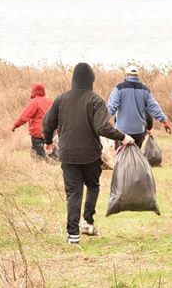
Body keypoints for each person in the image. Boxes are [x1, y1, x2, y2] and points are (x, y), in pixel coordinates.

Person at [42, 62, 134, 245]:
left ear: (73, 79)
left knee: (73, 193)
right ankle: (88, 221)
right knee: (93, 185)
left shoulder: (61, 99)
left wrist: (48, 142)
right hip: (90, 154)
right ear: (91, 80)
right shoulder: (95, 100)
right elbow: (102, 127)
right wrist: (122, 136)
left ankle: (73, 235)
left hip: (67, 154)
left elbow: (47, 123)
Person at [107, 65, 172, 148]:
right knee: (136, 156)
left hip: (122, 132)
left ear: (126, 75)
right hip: (138, 132)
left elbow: (111, 108)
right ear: (137, 76)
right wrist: (164, 121)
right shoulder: (145, 90)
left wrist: (101, 120)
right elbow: (154, 107)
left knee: (120, 157)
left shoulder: (119, 88)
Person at [12, 82, 52, 158]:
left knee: (40, 157)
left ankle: (41, 166)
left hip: (37, 134)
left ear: (34, 91)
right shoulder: (49, 101)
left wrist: (15, 125)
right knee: (45, 153)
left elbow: (24, 117)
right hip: (49, 132)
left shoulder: (34, 102)